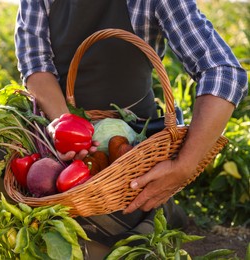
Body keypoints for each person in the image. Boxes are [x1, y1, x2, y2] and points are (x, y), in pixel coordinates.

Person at [13, 0, 248, 257]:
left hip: (132, 143)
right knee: (31, 198)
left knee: (113, 229)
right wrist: (67, 132)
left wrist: (184, 165)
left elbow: (223, 71)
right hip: (62, 130)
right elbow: (36, 66)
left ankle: (157, 210)